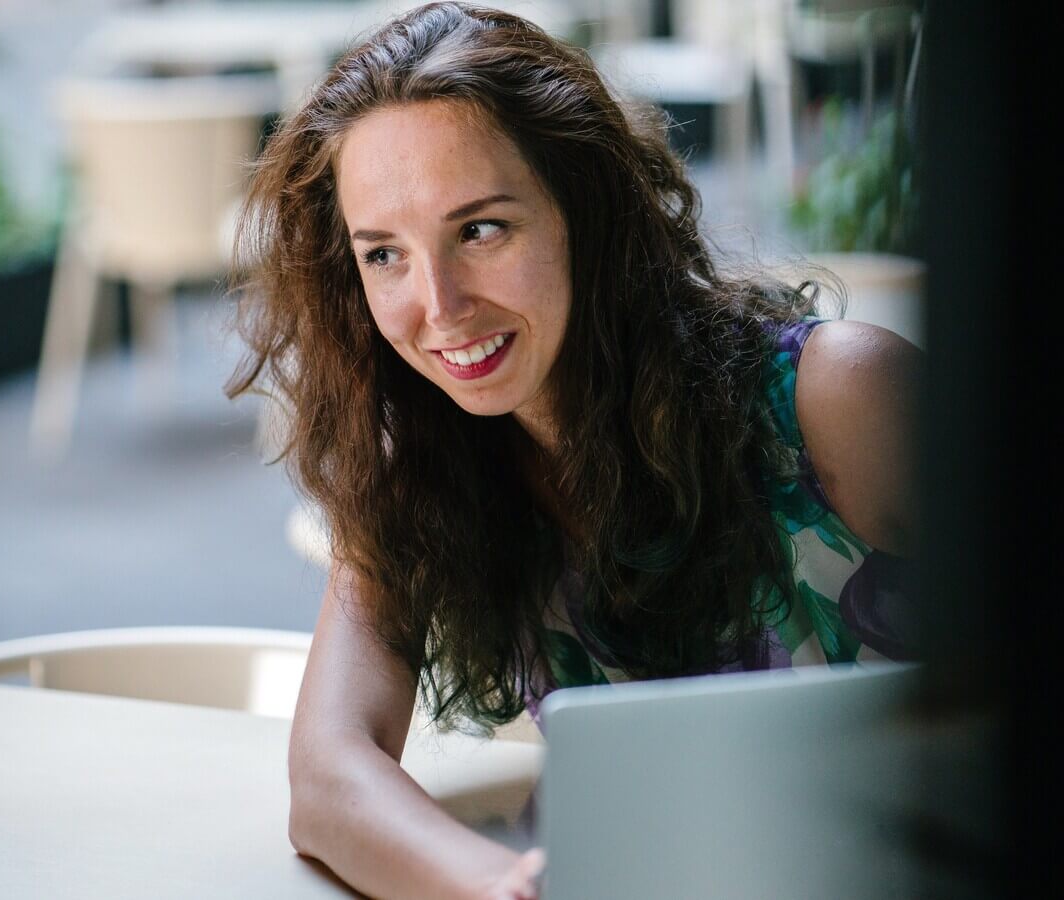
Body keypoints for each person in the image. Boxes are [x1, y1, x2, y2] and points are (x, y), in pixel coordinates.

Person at [225, 4, 921, 898]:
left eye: (481, 229)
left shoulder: (838, 398)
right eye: (384, 254)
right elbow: (326, 777)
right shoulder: (422, 475)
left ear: (583, 212)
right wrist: (506, 885)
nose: (439, 306)